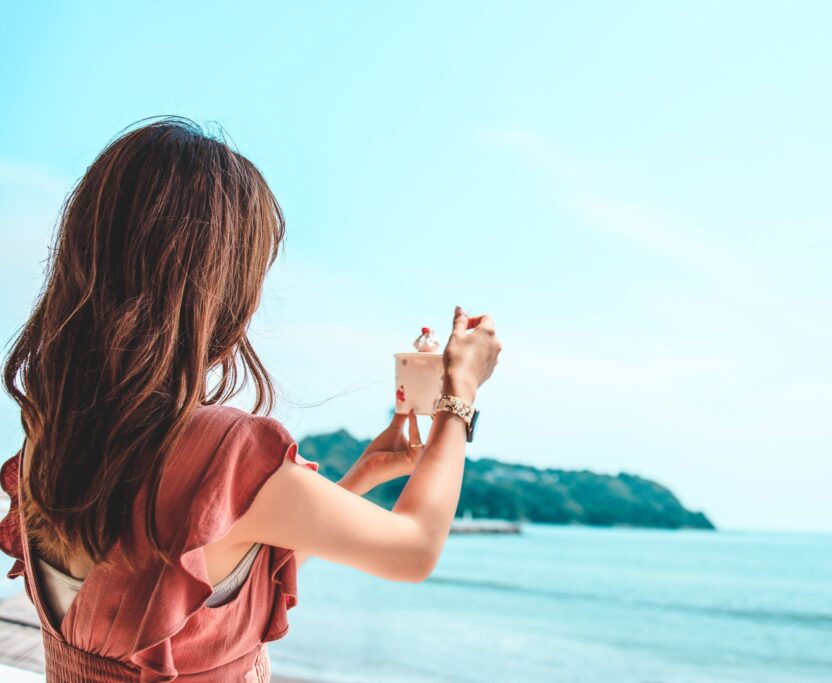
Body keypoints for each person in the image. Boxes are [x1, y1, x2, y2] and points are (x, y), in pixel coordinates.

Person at [0, 117, 502, 682]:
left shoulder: (54, 440)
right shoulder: (222, 453)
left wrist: (361, 475)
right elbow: (415, 550)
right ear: (217, 287)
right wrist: (461, 392)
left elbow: (207, 581)